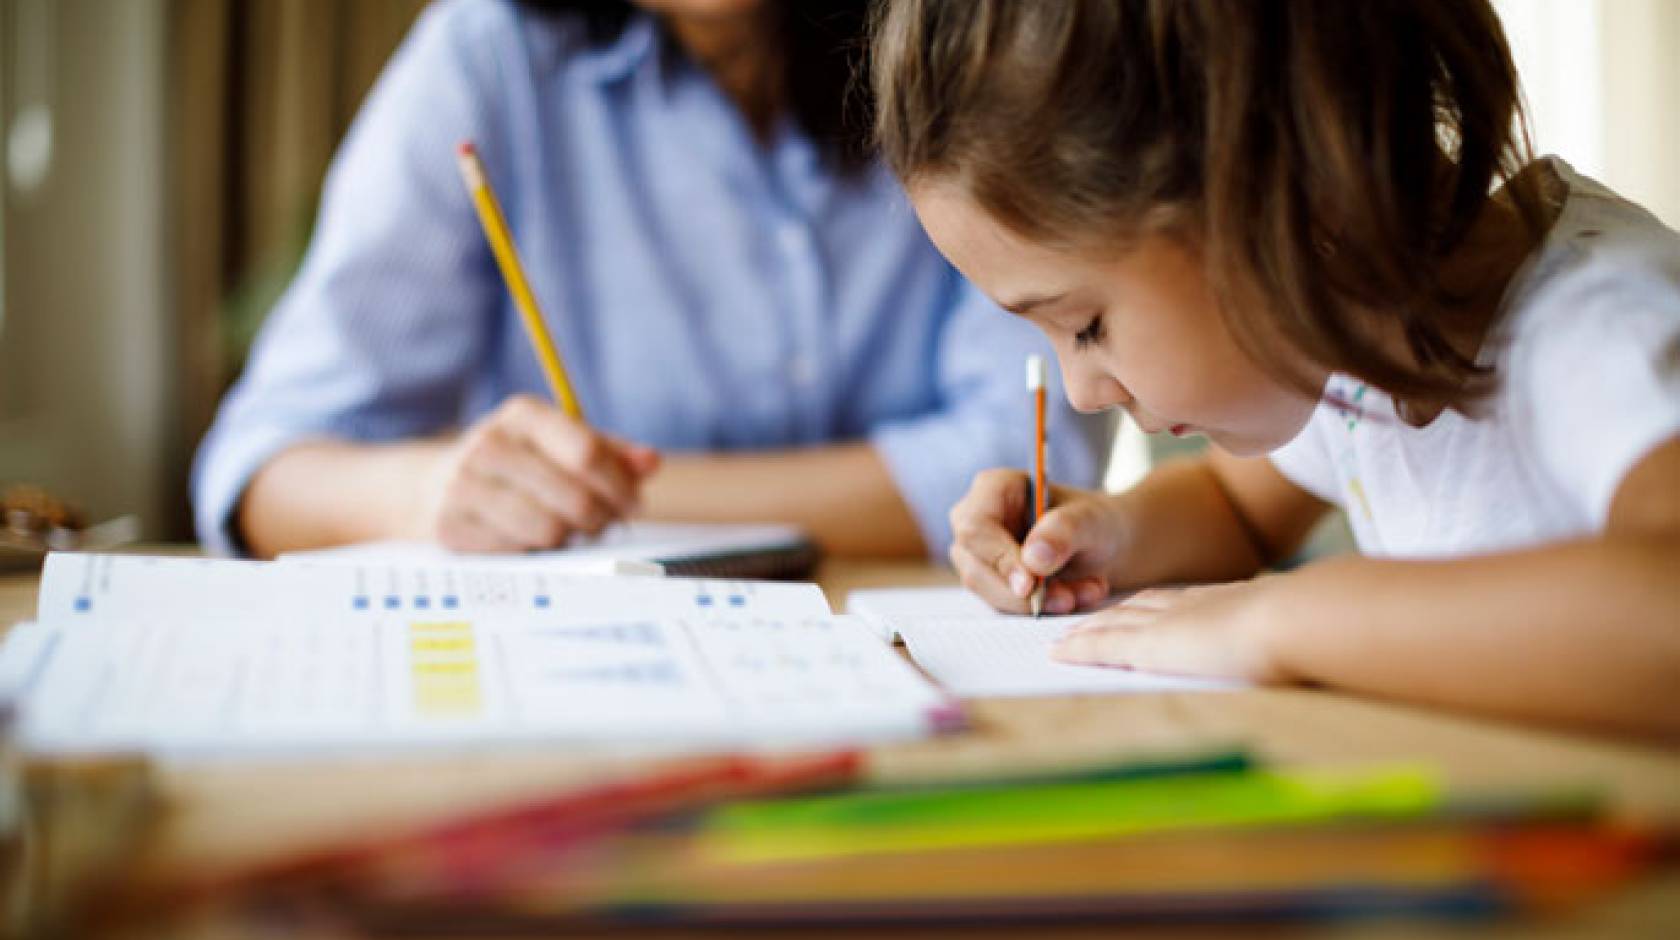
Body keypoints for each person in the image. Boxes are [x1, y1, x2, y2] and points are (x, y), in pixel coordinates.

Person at [873, 0, 1680, 737]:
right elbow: (1235, 508)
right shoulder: (1350, 342)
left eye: (1086, 325)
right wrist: (1104, 535)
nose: (1083, 393)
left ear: (1278, 186)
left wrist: (1287, 620)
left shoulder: (1603, 327)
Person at [191, 0, 1108, 560]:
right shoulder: (485, 60)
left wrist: (609, 504)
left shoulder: (974, 45)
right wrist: (433, 494)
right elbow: (259, 470)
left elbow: (1033, 462)